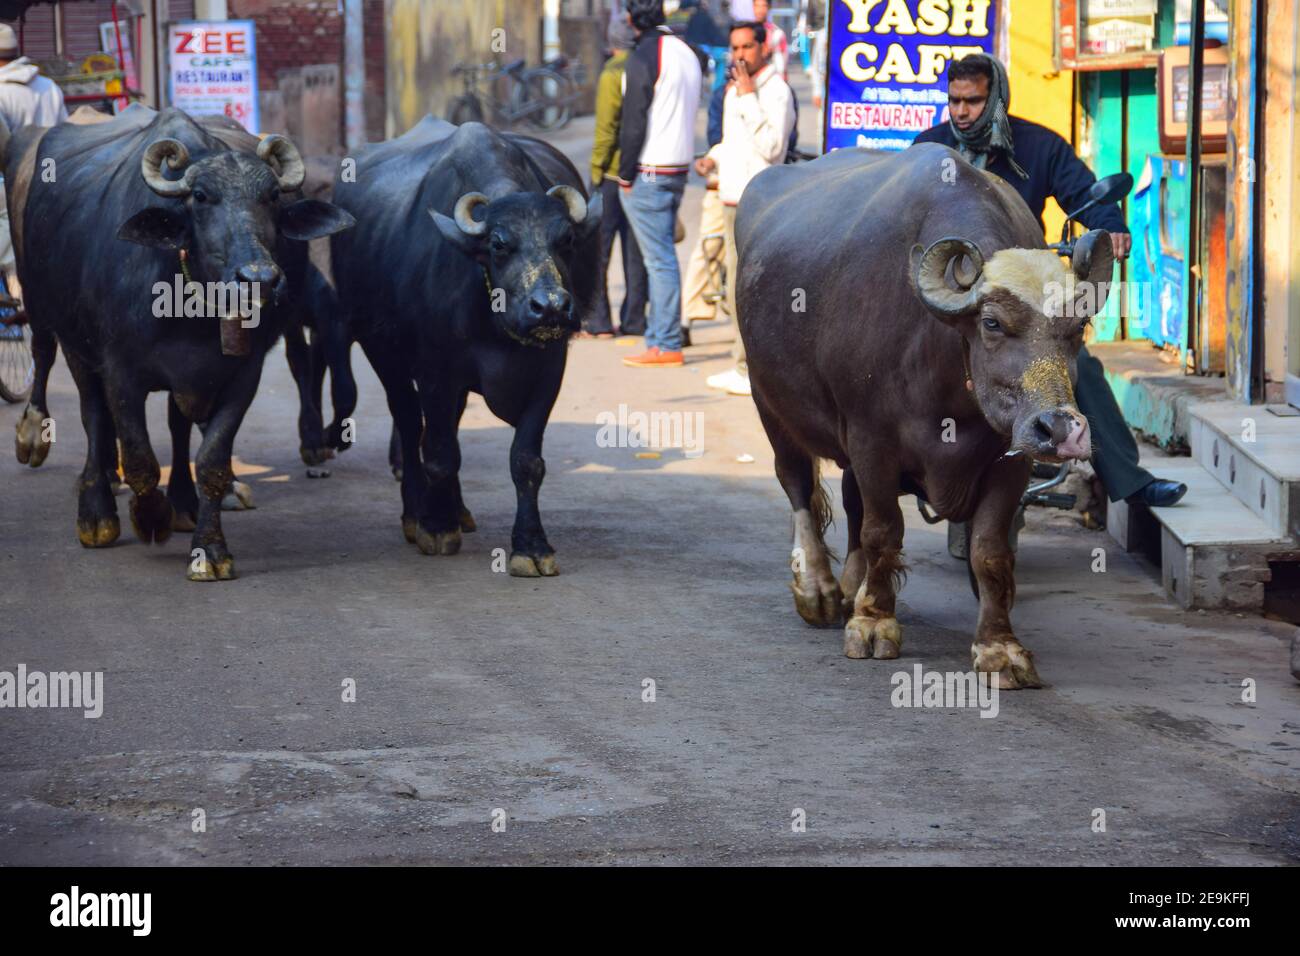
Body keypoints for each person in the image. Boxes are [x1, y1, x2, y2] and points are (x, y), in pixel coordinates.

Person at [912, 52, 1186, 509]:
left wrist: (1109, 226)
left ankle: (1132, 483)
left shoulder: (1038, 146)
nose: (961, 112)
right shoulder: (929, 150)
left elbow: (1086, 196)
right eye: (954, 101)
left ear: (996, 97)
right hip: (948, 303)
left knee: (1082, 369)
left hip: (1023, 305)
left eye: (974, 101)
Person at [695, 20, 795, 396]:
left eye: (746, 48)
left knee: (751, 293)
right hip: (730, 198)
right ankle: (742, 366)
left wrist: (750, 97)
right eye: (734, 49)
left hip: (761, 205)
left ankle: (748, 371)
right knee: (734, 289)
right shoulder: (734, 90)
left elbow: (771, 148)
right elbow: (734, 143)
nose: (738, 56)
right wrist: (712, 158)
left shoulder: (776, 92)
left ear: (763, 48)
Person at [618, 0, 703, 369]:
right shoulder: (687, 52)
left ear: (629, 18)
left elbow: (633, 121)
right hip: (678, 167)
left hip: (650, 169)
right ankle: (657, 338)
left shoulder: (642, 56)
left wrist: (624, 174)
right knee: (662, 257)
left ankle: (666, 343)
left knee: (660, 261)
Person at [588, 17, 648, 337]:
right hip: (640, 171)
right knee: (635, 250)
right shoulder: (644, 65)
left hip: (611, 173)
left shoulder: (612, 72)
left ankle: (598, 322)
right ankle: (634, 320)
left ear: (612, 42)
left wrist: (596, 170)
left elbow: (606, 130)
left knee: (598, 248)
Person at [0, 23, 66, 306]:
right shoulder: (48, 87)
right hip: (50, 168)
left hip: (14, 174)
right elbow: (64, 132)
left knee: (6, 220)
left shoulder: (1, 92)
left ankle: (17, 287)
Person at [684, 0, 733, 93]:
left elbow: (688, 32)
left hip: (699, 48)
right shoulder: (728, 19)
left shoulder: (696, 17)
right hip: (713, 48)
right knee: (719, 72)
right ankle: (716, 91)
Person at [753, 0, 788, 79]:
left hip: (773, 77)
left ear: (769, 8)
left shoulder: (777, 33)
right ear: (753, 7)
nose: (760, 10)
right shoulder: (747, 32)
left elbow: (783, 60)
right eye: (757, 6)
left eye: (763, 6)